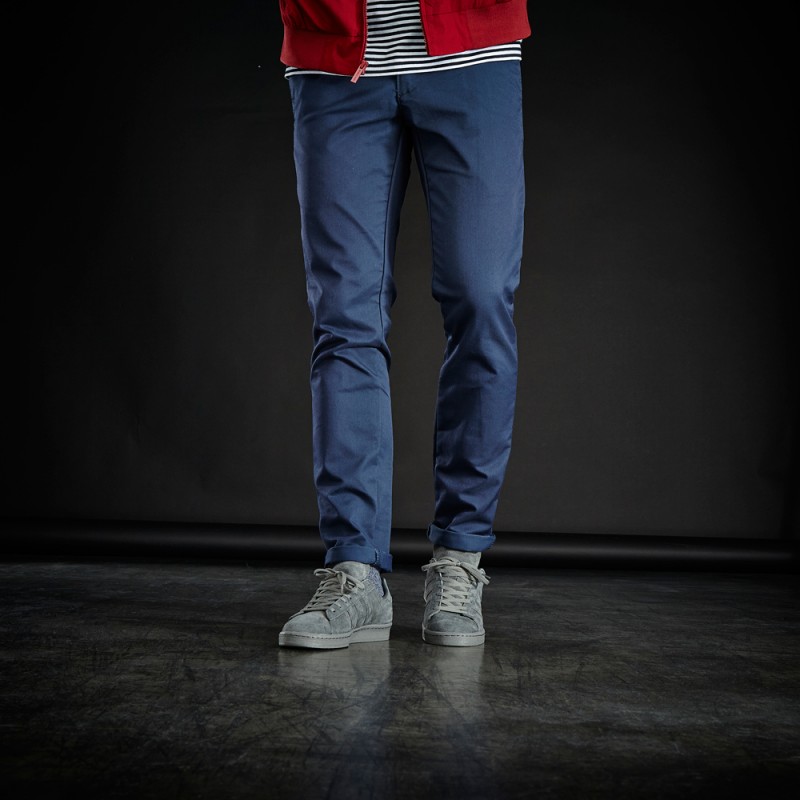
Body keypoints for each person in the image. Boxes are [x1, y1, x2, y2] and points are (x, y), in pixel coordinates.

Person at [277, 0, 531, 649]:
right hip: (333, 58)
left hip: (472, 51)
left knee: (481, 296)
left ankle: (460, 559)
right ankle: (355, 571)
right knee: (344, 312)